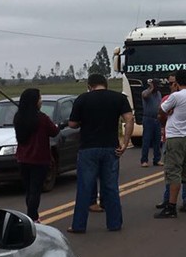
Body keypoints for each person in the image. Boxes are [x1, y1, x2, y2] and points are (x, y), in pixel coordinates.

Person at [68, 74, 134, 233]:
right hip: (111, 148)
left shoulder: (82, 99)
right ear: (106, 84)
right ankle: (114, 223)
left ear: (90, 86)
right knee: (110, 187)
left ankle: (79, 225)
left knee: (85, 187)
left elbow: (72, 124)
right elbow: (129, 119)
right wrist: (125, 142)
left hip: (88, 149)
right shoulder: (118, 98)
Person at [154, 69, 186, 219]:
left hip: (175, 136)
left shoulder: (176, 96)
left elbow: (161, 110)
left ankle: (171, 207)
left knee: (173, 173)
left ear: (177, 82)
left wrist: (166, 116)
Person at [13, 88, 60, 222]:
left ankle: (31, 215)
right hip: (39, 159)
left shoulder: (18, 117)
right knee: (35, 190)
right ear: (34, 101)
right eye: (39, 98)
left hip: (22, 159)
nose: (41, 101)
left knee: (29, 190)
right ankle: (32, 217)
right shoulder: (42, 118)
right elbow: (55, 132)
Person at [156, 73, 186, 209]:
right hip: (167, 137)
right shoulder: (166, 98)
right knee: (169, 172)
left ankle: (184, 200)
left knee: (183, 171)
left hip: (179, 137)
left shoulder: (184, 98)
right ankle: (167, 198)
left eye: (173, 83)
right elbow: (161, 116)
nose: (171, 86)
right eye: (169, 83)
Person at [140, 78, 163, 167]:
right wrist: (151, 88)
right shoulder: (145, 92)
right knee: (146, 140)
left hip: (157, 119)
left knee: (157, 141)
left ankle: (157, 160)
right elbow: (145, 96)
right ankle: (144, 160)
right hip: (148, 119)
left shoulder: (159, 94)